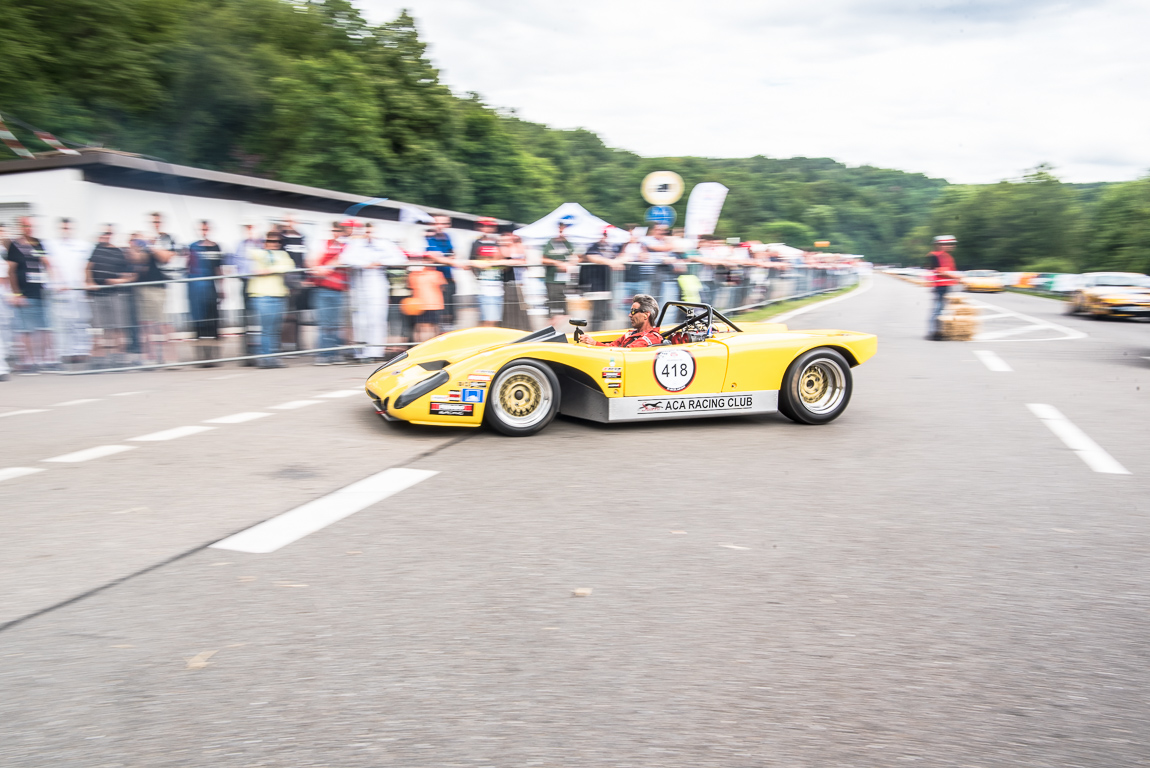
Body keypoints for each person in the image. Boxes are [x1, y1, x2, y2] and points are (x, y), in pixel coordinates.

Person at [345, 221, 404, 359]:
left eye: (371, 232)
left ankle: (376, 351)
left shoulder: (384, 244)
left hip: (377, 283)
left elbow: (400, 258)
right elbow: (346, 258)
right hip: (359, 284)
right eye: (366, 232)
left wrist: (381, 262)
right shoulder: (355, 245)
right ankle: (362, 350)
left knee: (377, 318)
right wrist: (365, 264)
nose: (368, 235)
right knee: (361, 319)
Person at [5, 216, 55, 372]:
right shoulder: (14, 246)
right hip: (25, 293)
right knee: (27, 329)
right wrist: (17, 294)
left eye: (31, 226)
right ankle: (30, 361)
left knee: (44, 328)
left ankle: (46, 360)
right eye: (26, 226)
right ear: (21, 227)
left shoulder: (37, 243)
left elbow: (46, 263)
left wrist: (53, 281)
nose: (29, 229)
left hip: (40, 292)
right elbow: (11, 271)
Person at [45, 218, 93, 364]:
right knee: (62, 322)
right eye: (63, 228)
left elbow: (87, 267)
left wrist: (85, 282)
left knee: (80, 321)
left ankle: (81, 350)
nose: (66, 230)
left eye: (68, 228)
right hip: (60, 289)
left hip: (78, 289)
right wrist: (56, 283)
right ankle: (65, 351)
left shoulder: (84, 246)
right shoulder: (50, 245)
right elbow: (48, 266)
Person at [86, 226, 135, 366]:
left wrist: (118, 281)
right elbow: (88, 268)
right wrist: (90, 283)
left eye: (109, 234)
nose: (106, 236)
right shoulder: (97, 250)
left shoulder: (118, 252)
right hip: (99, 295)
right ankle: (102, 358)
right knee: (102, 328)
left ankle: (119, 358)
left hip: (116, 294)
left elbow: (129, 275)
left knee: (118, 327)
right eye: (104, 234)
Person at [246, 232, 295, 368]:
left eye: (277, 242)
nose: (275, 244)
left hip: (279, 295)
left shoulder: (282, 254)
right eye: (271, 241)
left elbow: (289, 266)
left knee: (275, 329)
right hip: (262, 295)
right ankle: (265, 359)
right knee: (267, 329)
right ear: (265, 242)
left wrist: (269, 270)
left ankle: (273, 358)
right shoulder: (258, 253)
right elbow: (251, 255)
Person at [310, 221, 350, 364]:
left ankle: (335, 354)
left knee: (336, 324)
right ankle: (323, 355)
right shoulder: (322, 244)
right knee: (324, 324)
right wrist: (321, 268)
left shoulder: (345, 247)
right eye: (333, 230)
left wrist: (327, 267)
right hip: (323, 289)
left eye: (338, 231)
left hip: (338, 290)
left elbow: (342, 260)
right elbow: (312, 262)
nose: (336, 233)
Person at [187, 220, 224, 365]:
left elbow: (218, 269)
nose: (204, 231)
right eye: (201, 229)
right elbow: (188, 267)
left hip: (211, 289)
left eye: (206, 229)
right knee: (198, 323)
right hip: (196, 290)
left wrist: (222, 289)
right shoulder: (192, 247)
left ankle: (214, 356)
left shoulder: (215, 247)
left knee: (213, 321)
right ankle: (201, 357)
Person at [578, 293, 663, 348]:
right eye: (630, 311)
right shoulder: (630, 334)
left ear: (646, 315)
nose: (630, 315)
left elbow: (626, 353)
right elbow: (612, 346)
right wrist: (593, 343)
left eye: (633, 312)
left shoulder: (650, 338)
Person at [468, 217, 508, 327]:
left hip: (498, 285)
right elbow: (470, 262)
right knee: (487, 320)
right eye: (483, 226)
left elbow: (505, 263)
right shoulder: (476, 243)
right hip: (484, 285)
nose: (486, 228)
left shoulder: (498, 243)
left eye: (489, 226)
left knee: (494, 320)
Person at [278, 214, 309, 352]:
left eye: (292, 221)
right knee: (286, 315)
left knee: (297, 315)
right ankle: (286, 345)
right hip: (285, 282)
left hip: (299, 282)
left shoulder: (302, 238)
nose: (289, 223)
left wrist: (305, 278)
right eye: (287, 221)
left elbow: (304, 260)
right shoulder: (281, 239)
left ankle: (297, 344)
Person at [580, 228, 621, 330]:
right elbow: (591, 257)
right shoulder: (593, 246)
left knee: (604, 312)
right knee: (597, 313)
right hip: (596, 284)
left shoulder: (610, 248)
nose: (604, 238)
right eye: (603, 235)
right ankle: (593, 333)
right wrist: (611, 262)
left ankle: (600, 332)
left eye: (606, 235)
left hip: (607, 284)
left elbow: (621, 256)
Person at [541, 216, 578, 323]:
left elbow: (575, 257)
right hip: (551, 277)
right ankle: (552, 319)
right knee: (552, 297)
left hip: (564, 278)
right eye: (560, 230)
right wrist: (556, 263)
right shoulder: (550, 243)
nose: (561, 233)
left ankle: (561, 317)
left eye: (563, 231)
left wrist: (570, 264)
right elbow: (542, 259)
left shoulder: (568, 243)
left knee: (562, 296)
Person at [424, 215, 458, 329]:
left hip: (447, 278)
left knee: (449, 312)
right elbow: (435, 256)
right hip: (433, 282)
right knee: (436, 313)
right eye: (437, 223)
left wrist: (451, 259)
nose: (440, 226)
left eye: (443, 223)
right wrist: (451, 261)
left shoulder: (447, 237)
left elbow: (454, 254)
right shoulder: (428, 237)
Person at [405, 252, 447, 342]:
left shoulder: (414, 274)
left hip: (425, 304)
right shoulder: (436, 274)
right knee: (427, 328)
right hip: (427, 304)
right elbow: (443, 286)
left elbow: (410, 286)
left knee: (424, 327)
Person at [926, 235, 959, 340]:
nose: (951, 246)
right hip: (940, 286)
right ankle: (934, 332)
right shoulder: (934, 256)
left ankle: (940, 331)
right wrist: (955, 276)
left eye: (951, 244)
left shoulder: (947, 256)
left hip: (946, 286)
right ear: (940, 245)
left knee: (942, 309)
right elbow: (940, 271)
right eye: (948, 244)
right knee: (938, 309)